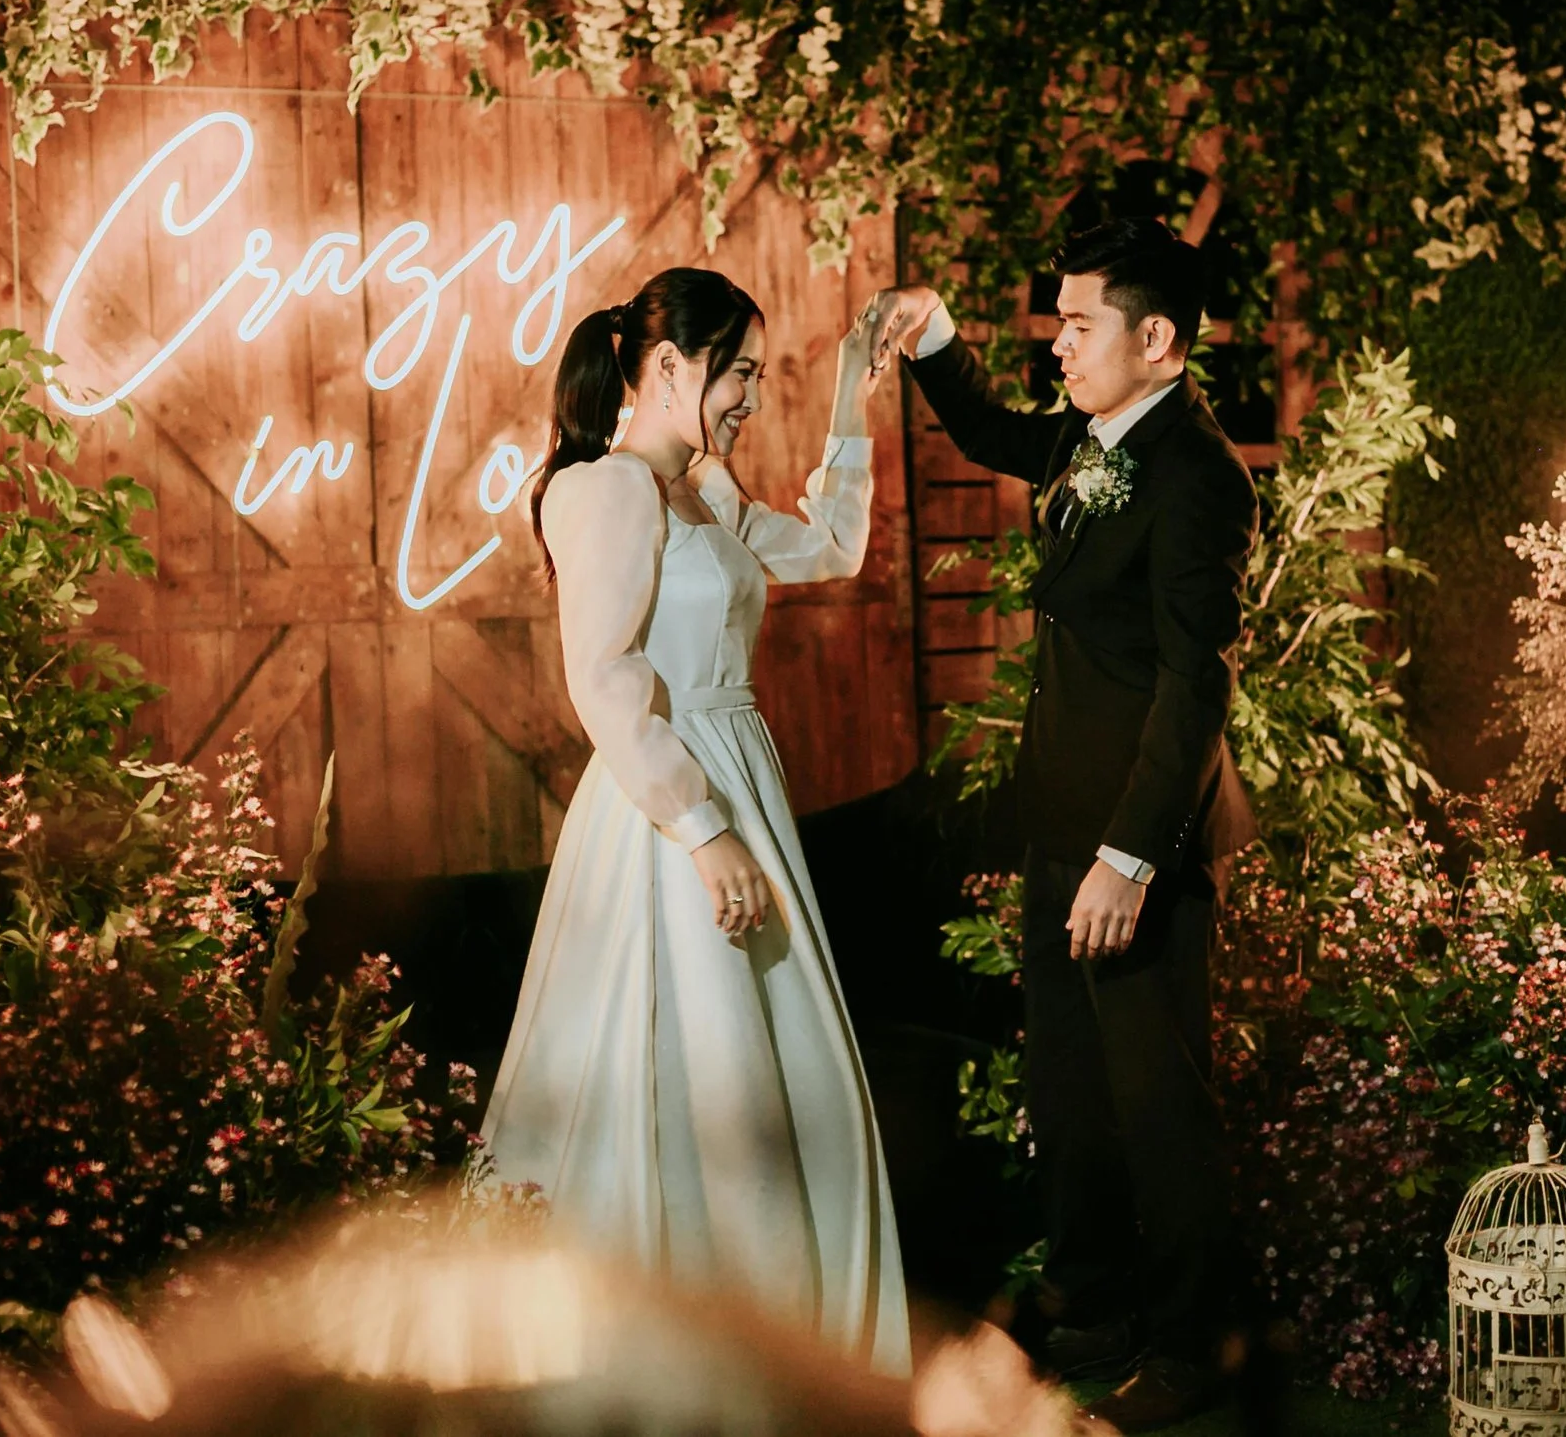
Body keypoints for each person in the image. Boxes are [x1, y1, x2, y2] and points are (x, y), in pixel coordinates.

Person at [481, 267, 909, 1375]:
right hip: (669, 810)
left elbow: (832, 549)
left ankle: (783, 1346)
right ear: (668, 366)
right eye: (738, 375)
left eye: (759, 378)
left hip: (739, 782)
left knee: (775, 1066)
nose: (750, 399)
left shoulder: (701, 492)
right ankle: (677, 1356)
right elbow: (603, 676)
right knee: (691, 1066)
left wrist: (850, 387)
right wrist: (703, 829)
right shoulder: (608, 489)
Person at [875, 219, 1259, 1432]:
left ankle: (1198, 1342)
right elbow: (993, 434)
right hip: (1057, 824)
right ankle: (1092, 1302)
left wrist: (1129, 857)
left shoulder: (1198, 476)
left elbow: (1193, 686)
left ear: (1157, 337)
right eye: (1058, 324)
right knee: (1070, 1085)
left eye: (1079, 325)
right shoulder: (1094, 434)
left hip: (1140, 846)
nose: (1058, 346)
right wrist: (934, 337)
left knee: (1158, 1100)